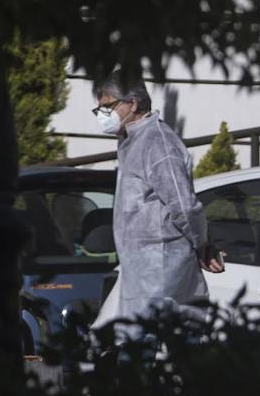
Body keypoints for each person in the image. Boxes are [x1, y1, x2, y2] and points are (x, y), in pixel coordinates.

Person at [93, 77, 224, 320]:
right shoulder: (131, 141)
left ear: (132, 104)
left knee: (153, 344)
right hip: (141, 271)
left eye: (108, 107)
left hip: (163, 266)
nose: (102, 115)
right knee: (143, 345)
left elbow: (183, 205)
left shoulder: (157, 142)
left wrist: (201, 243)